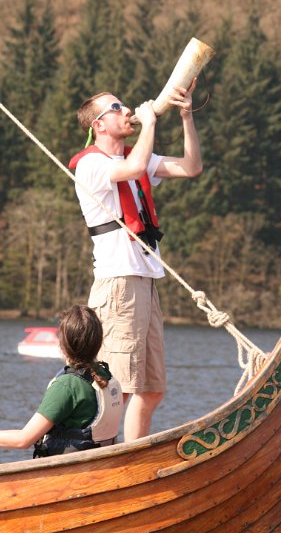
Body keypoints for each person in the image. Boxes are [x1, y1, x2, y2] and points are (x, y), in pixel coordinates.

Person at [68, 80, 202, 442]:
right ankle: (99, 456)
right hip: (119, 284)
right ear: (98, 124)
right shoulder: (92, 165)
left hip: (145, 282)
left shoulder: (133, 156)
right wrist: (151, 122)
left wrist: (186, 117)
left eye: (125, 105)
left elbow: (191, 167)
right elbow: (136, 165)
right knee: (118, 388)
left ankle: (135, 455)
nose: (126, 110)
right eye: (116, 108)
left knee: (152, 389)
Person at [0, 305, 123, 456]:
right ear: (98, 341)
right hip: (99, 461)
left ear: (63, 344)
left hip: (70, 468)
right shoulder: (105, 375)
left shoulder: (67, 386)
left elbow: (23, 440)